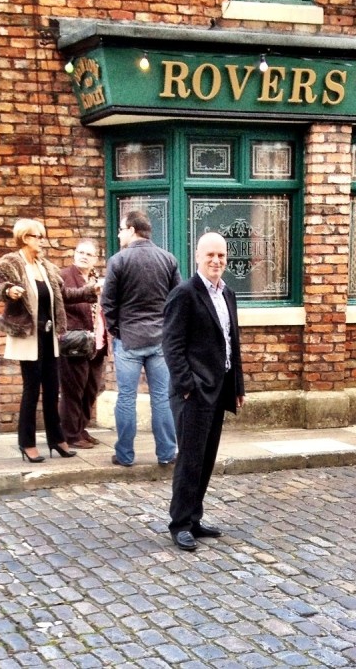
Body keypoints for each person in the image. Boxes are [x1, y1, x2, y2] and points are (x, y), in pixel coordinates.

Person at [162, 231, 245, 552]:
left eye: (221, 255)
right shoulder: (184, 294)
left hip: (220, 389)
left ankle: (194, 518)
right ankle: (179, 523)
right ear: (197, 256)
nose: (216, 261)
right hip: (193, 393)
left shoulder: (228, 294)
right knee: (190, 458)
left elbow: (232, 344)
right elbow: (171, 345)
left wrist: (237, 386)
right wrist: (186, 387)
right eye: (210, 255)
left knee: (206, 458)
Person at [0, 218, 77, 463]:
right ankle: (26, 443)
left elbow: (63, 294)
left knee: (52, 389)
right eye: (38, 236)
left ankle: (56, 439)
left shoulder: (45, 266)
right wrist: (8, 290)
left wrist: (90, 291)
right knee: (31, 390)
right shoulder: (11, 262)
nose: (42, 241)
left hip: (49, 336)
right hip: (28, 335)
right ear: (25, 237)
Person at [100, 209, 181, 467]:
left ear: (133, 229)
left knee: (126, 398)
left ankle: (124, 455)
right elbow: (177, 300)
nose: (119, 234)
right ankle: (167, 454)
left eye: (122, 229)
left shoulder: (118, 261)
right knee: (161, 398)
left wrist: (117, 330)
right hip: (160, 340)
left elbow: (108, 302)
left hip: (129, 339)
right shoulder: (167, 259)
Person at [58, 238, 107, 449]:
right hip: (75, 342)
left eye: (88, 254)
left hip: (97, 342)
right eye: (80, 252)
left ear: (96, 259)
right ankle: (70, 434)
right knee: (73, 390)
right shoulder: (64, 276)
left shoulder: (98, 278)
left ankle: (81, 428)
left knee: (91, 389)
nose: (83, 256)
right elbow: (60, 299)